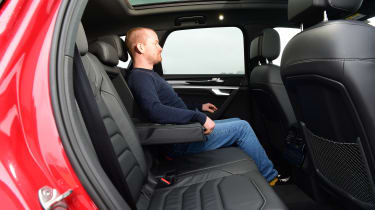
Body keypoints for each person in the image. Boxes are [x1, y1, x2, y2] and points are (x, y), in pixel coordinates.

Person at [125, 27, 283, 185]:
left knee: (238, 122)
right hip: (180, 140)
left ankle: (266, 175)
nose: (160, 48)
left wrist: (199, 107)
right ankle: (271, 178)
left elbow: (172, 105)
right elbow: (154, 110)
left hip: (184, 132)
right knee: (242, 128)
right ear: (140, 47)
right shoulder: (140, 77)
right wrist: (198, 117)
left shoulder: (148, 75)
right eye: (155, 43)